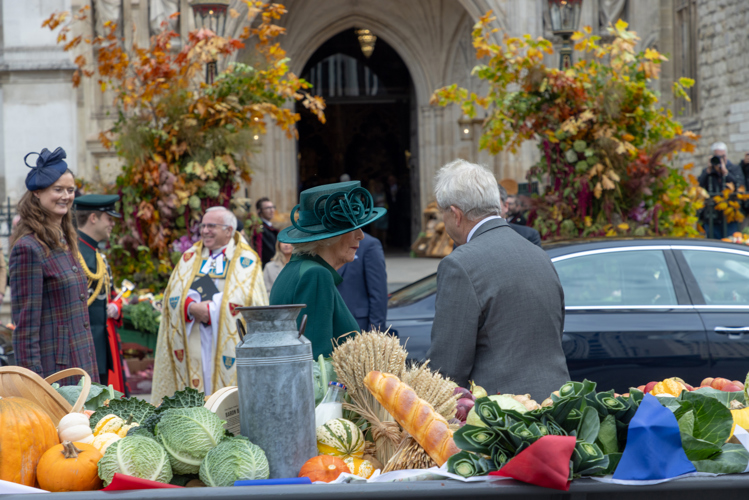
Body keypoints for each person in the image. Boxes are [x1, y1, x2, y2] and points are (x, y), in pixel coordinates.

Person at [426, 159, 569, 401]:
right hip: (557, 403)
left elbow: (448, 368)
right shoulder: (539, 254)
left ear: (455, 214)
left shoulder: (460, 263)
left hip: (501, 419)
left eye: (443, 215)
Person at [151, 206, 268, 402]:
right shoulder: (190, 257)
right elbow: (174, 293)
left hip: (224, 339)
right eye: (203, 226)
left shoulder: (246, 259)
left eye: (211, 226)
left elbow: (247, 299)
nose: (205, 231)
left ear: (229, 231)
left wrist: (211, 310)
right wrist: (189, 307)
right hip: (192, 338)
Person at [10, 147, 99, 383]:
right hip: (56, 371)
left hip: (82, 360)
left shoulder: (66, 240)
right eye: (57, 189)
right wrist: (36, 384)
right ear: (38, 193)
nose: (66, 196)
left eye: (70, 190)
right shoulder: (28, 248)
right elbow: (25, 329)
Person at [270, 181, 387, 358]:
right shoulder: (316, 275)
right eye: (352, 228)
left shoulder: (297, 268)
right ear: (329, 237)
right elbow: (318, 363)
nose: (361, 235)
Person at [73, 194, 128, 393]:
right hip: (83, 350)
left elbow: (109, 294)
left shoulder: (96, 255)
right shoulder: (74, 253)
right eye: (109, 218)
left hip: (101, 347)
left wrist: (115, 307)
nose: (112, 224)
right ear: (93, 218)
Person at [336, 232, 388, 332]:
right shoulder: (322, 243)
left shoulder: (368, 244)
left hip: (358, 325)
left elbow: (378, 293)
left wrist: (374, 335)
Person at [699, 154, 739, 239]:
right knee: (714, 243)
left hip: (728, 214)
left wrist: (725, 173)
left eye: (722, 157)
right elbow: (699, 186)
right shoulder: (708, 172)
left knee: (730, 242)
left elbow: (737, 186)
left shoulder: (733, 169)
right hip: (711, 215)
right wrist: (708, 171)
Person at [252, 197, 279, 268]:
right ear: (259, 211)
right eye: (268, 208)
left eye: (273, 207)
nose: (272, 210)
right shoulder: (259, 229)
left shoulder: (269, 227)